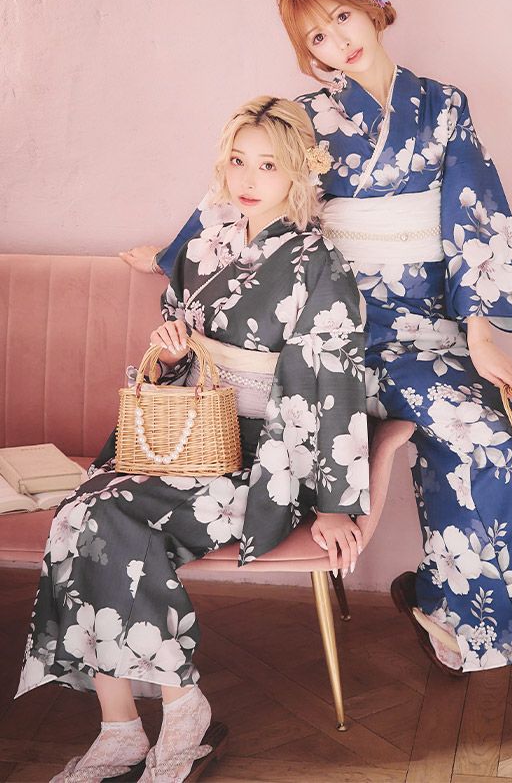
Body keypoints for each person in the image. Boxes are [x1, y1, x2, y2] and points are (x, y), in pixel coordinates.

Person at [121, 0, 512, 737]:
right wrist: (173, 254)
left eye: (341, 19)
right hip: (339, 338)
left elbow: (473, 214)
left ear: (372, 8)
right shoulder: (304, 118)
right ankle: (493, 627)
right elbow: (242, 191)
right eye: (315, 38)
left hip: (431, 329)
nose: (336, 43)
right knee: (488, 439)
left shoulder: (444, 106)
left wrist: (480, 334)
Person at [17, 96, 370, 782]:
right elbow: (180, 352)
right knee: (78, 515)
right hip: (186, 435)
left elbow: (332, 385)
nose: (248, 178)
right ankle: (121, 729)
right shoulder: (204, 247)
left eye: (268, 165)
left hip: (263, 459)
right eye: (238, 160)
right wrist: (174, 350)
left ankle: (180, 715)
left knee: (113, 517)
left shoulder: (319, 263)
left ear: (297, 171)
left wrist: (336, 504)